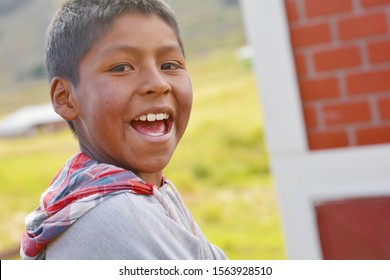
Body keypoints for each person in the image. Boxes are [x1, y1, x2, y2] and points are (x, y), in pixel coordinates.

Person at [20, 0, 227, 260]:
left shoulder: (147, 193)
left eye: (170, 65)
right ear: (65, 97)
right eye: (121, 68)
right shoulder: (114, 216)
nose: (158, 84)